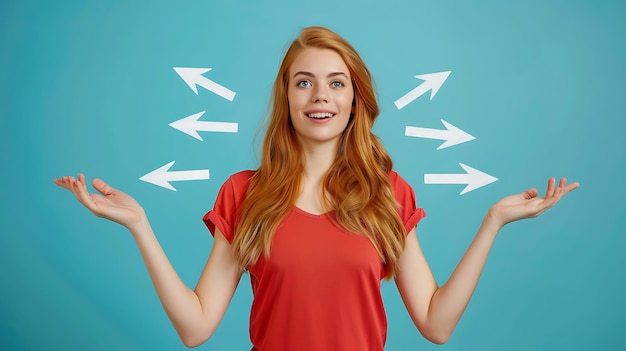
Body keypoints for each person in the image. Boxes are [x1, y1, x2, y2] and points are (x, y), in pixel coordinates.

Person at [54, 26, 579, 351]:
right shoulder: (244, 195)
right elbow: (196, 328)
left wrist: (493, 223)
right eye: (303, 81)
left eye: (336, 81)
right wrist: (139, 225)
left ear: (355, 99)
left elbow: (436, 324)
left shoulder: (388, 195)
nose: (319, 95)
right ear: (287, 98)